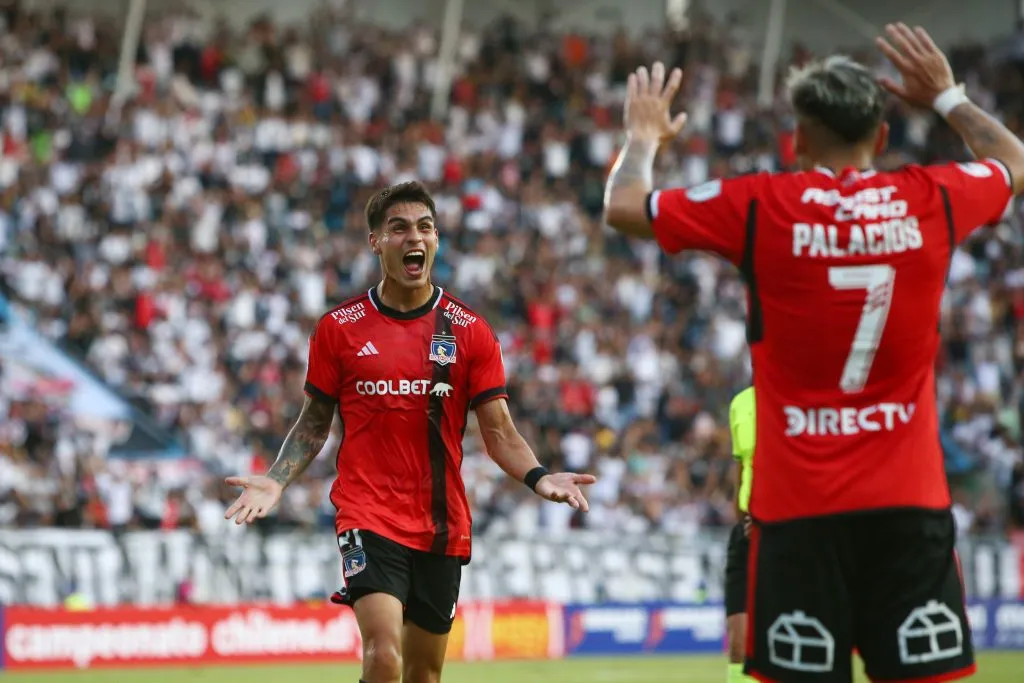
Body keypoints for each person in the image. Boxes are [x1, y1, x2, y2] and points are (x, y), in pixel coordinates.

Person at [603, 23, 1024, 683]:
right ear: (881, 137)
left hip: (798, 516)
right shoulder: (931, 197)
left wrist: (641, 138)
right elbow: (1015, 162)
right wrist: (946, 97)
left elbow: (625, 205)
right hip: (908, 508)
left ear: (796, 138)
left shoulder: (759, 206)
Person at [224, 181, 596, 683]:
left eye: (423, 228)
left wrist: (539, 476)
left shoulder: (469, 331)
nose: (412, 238)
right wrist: (276, 479)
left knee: (423, 674)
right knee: (383, 657)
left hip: (441, 522)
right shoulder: (340, 328)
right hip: (367, 513)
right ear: (375, 241)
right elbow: (313, 425)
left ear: (436, 239)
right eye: (398, 228)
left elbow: (500, 432)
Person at [726, 386, 756, 683]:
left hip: (785, 532)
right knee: (738, 641)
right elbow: (740, 467)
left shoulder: (799, 397)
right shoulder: (741, 402)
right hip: (746, 531)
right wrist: (740, 517)